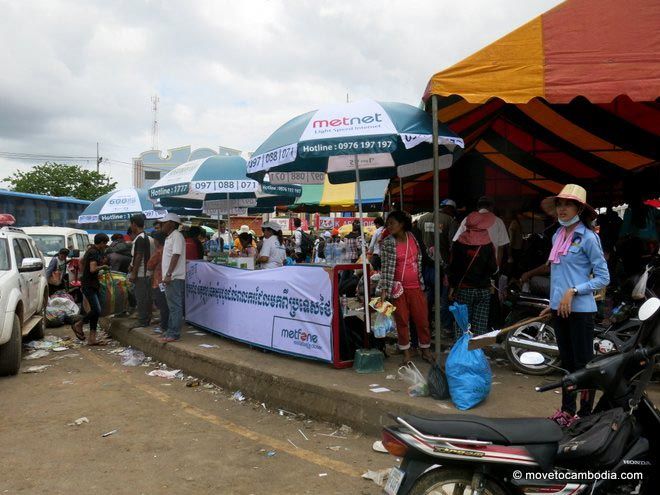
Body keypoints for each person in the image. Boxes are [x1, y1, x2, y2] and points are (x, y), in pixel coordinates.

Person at [529, 184, 609, 425]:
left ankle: (583, 415)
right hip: (559, 310)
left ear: (579, 209)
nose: (562, 209)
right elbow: (559, 276)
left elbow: (604, 278)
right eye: (560, 204)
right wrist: (552, 305)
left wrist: (574, 291)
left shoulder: (589, 238)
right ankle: (566, 411)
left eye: (568, 204)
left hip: (581, 311)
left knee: (582, 366)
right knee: (566, 364)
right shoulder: (557, 235)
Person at [377, 211, 434, 365]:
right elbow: (386, 269)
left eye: (392, 223)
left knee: (422, 320)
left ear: (401, 224)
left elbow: (420, 260)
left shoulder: (413, 237)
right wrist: (383, 294)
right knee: (401, 321)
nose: (388, 227)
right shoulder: (388, 242)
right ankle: (406, 354)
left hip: (416, 286)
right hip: (398, 289)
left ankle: (425, 350)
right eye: (387, 224)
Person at [447, 211, 498, 337]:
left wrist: (452, 287)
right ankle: (477, 353)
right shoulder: (488, 244)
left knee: (462, 325)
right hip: (483, 290)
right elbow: (493, 268)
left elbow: (453, 267)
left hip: (464, 290)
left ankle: (462, 353)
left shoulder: (458, 243)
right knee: (480, 327)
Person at [453, 196, 510, 269]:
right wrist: (497, 266)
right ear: (491, 207)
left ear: (478, 207)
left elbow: (456, 240)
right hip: (489, 265)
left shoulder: (467, 219)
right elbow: (501, 246)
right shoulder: (498, 221)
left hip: (469, 263)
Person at [74, 233, 110, 345]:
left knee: (95, 313)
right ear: (101, 242)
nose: (106, 245)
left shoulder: (93, 251)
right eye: (105, 243)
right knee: (96, 310)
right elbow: (93, 269)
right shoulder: (94, 252)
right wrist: (103, 267)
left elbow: (82, 262)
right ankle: (79, 324)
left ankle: (92, 339)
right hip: (89, 285)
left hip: (92, 284)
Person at [160, 213, 186, 343]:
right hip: (170, 277)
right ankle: (170, 331)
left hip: (174, 277)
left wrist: (169, 274)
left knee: (175, 306)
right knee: (172, 306)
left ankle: (174, 333)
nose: (162, 225)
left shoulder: (176, 236)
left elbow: (176, 255)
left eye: (164, 223)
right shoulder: (170, 237)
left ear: (171, 223)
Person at [129, 214, 154, 329]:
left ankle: (142, 320)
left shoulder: (139, 238)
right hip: (147, 273)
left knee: (141, 298)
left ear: (134, 224)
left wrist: (133, 273)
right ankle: (147, 318)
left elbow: (138, 256)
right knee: (147, 297)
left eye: (131, 224)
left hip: (141, 273)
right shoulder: (147, 237)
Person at [147, 232, 169, 335]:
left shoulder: (159, 251)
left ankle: (164, 326)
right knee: (167, 304)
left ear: (157, 241)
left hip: (159, 281)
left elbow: (150, 265)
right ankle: (166, 324)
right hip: (168, 281)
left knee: (163, 305)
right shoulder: (169, 250)